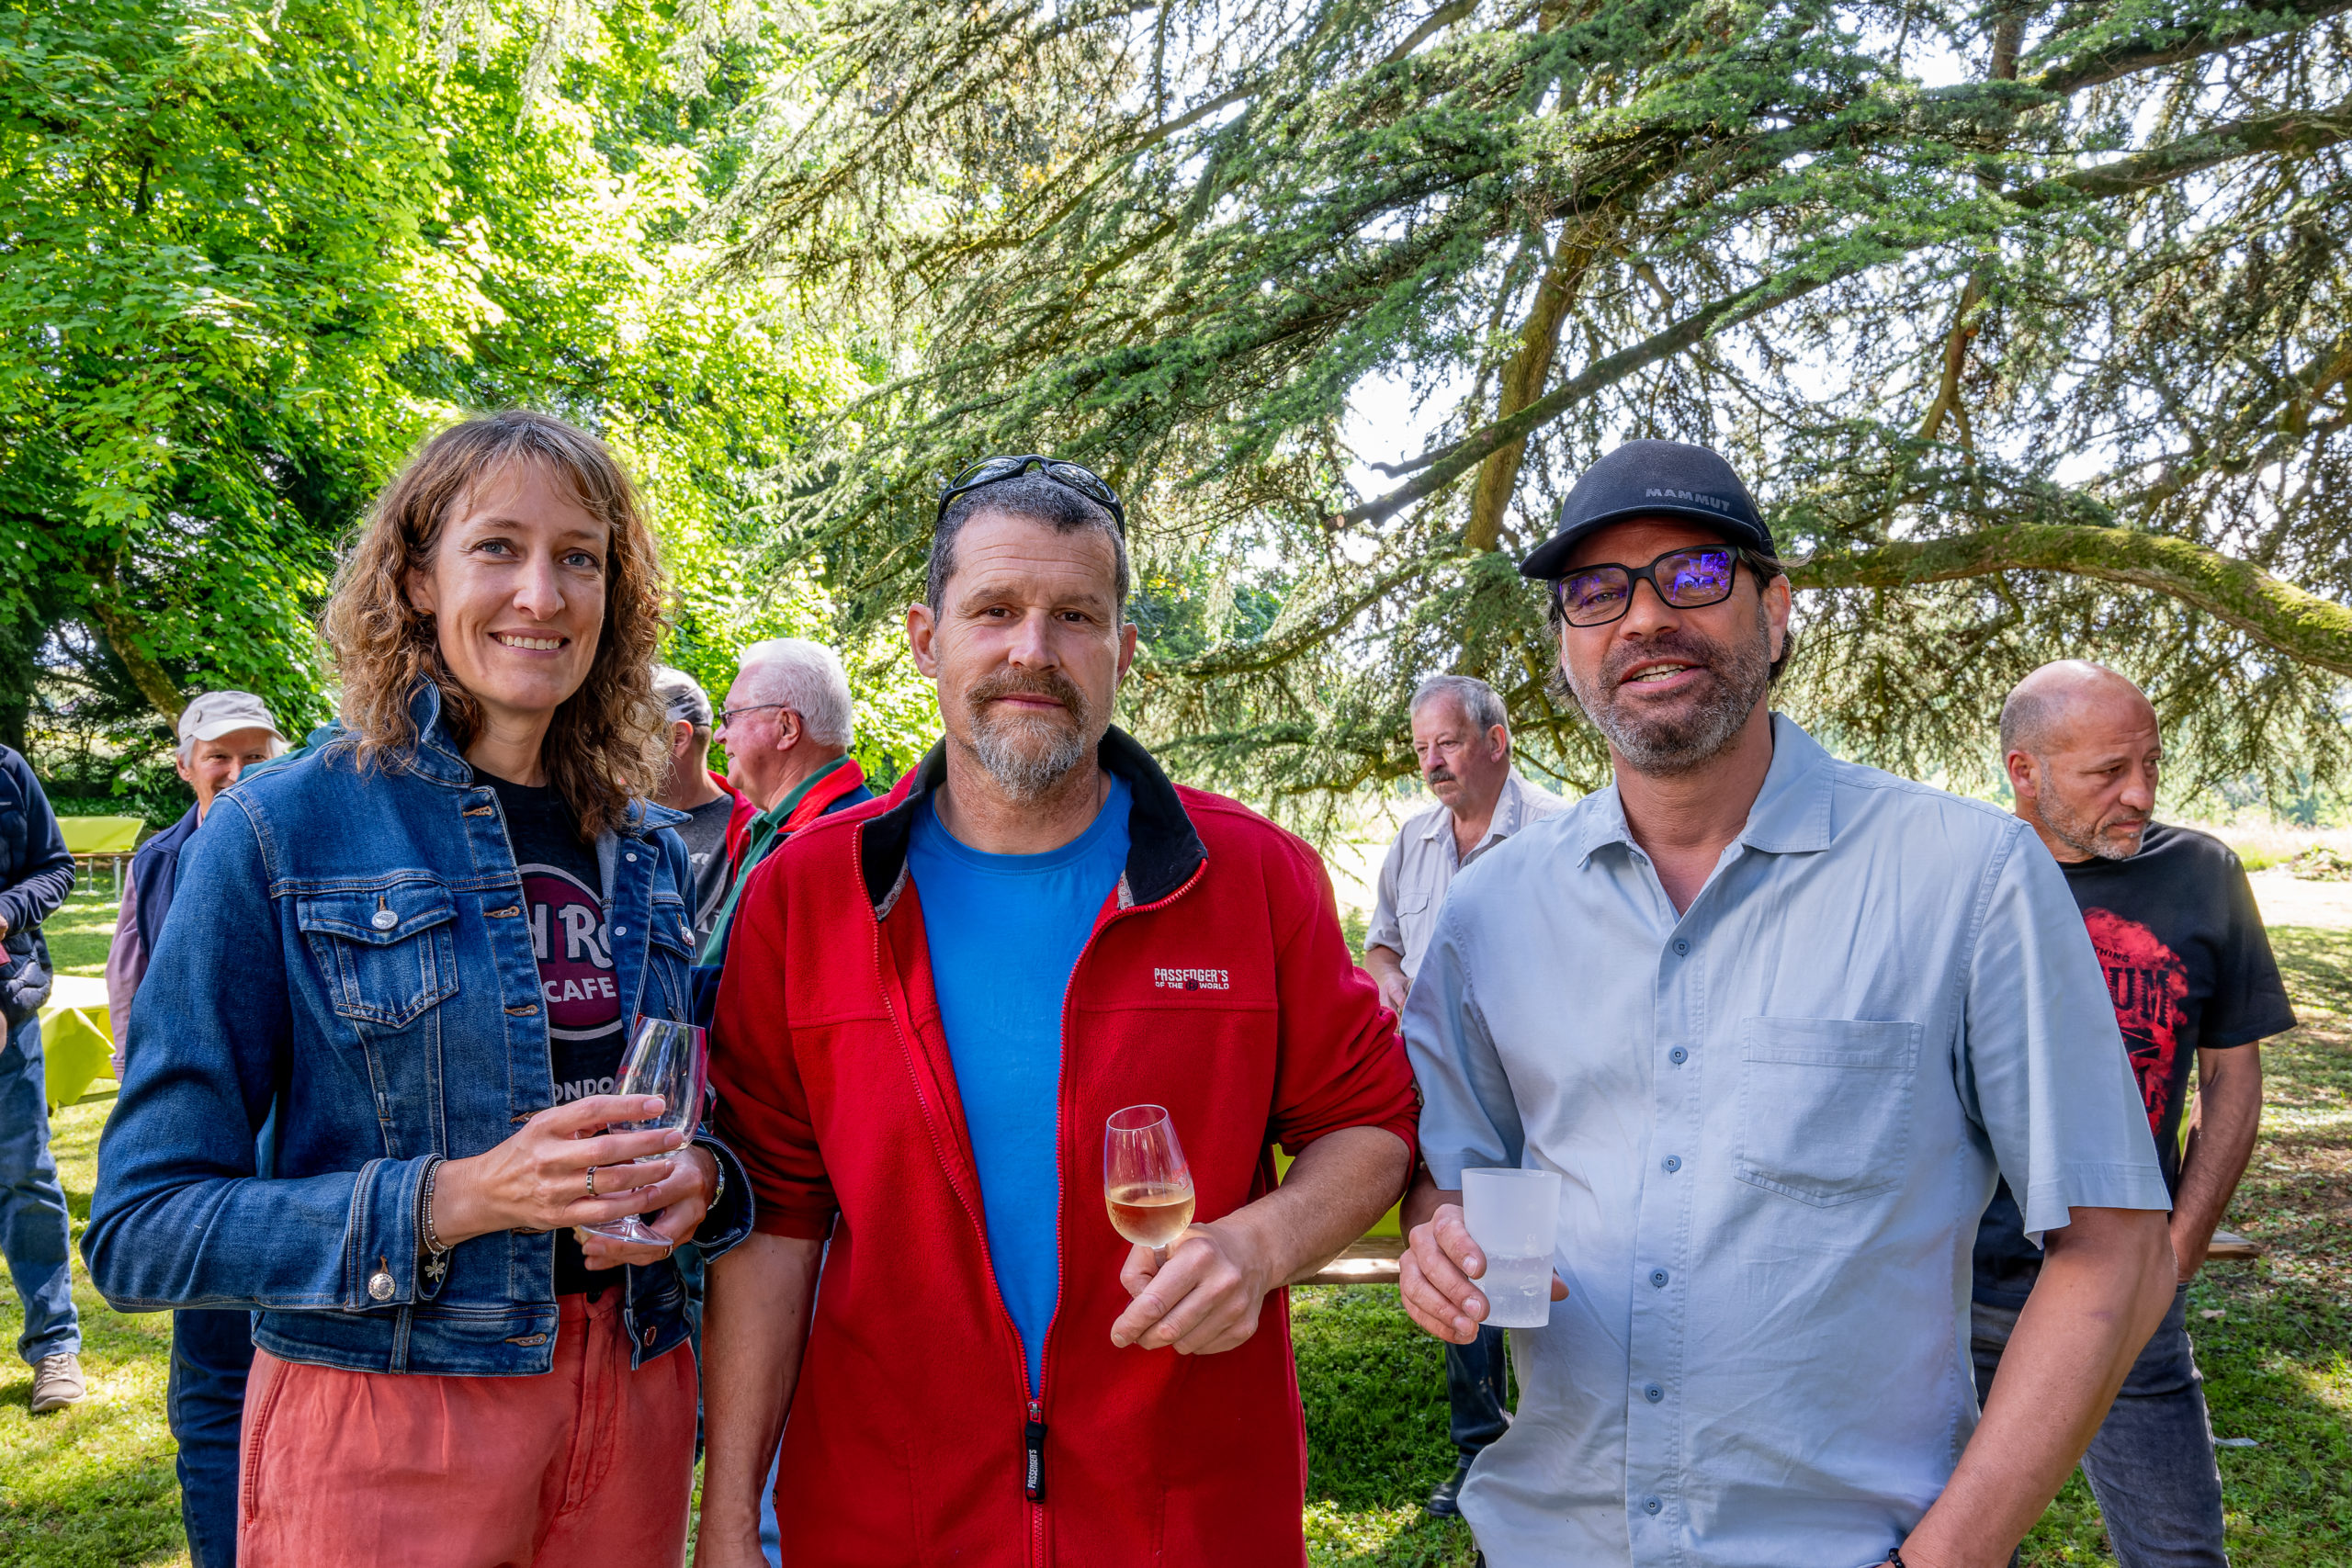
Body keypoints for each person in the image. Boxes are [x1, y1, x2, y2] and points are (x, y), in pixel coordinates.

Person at [1397, 439, 2177, 1568]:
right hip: (1546, 1541)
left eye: (1695, 574)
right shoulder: (1489, 912)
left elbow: (2116, 1247)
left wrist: (1945, 1559)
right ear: (1565, 649)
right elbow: (1450, 1178)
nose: (1643, 616)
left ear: (1776, 609)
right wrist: (1436, 1241)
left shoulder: (1968, 879)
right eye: (1594, 591)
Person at [695, 455, 1419, 1566]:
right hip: (888, 1519)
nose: (1032, 650)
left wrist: (1261, 1243)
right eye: (994, 611)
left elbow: (1370, 1123)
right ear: (925, 638)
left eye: (1075, 615)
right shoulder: (807, 894)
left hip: (1183, 1519)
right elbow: (775, 1225)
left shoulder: (1252, 878)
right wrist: (733, 1520)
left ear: (1124, 652)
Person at [83, 409, 754, 1566]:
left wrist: (703, 1179)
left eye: (579, 557)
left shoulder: (643, 847)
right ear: (414, 577)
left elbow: (694, 1112)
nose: (541, 594)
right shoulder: (276, 828)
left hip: (636, 1392)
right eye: (498, 548)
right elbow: (144, 1231)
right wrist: (460, 1197)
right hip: (394, 1414)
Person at [1972, 660, 2292, 1568]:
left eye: (2150, 763)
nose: (2139, 792)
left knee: (2179, 1556)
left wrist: (2176, 1250)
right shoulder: (1963, 880)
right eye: (2107, 772)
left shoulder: (2201, 874)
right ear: (2023, 773)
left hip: (2125, 1296)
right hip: (1962, 1301)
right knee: (1930, 1546)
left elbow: (2232, 1077)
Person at [1363, 672, 1566, 1517]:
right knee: (1466, 1248)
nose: (1433, 762)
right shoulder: (1412, 841)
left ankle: (1567, 1443)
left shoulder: (1565, 830)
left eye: (1446, 742)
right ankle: (1479, 1451)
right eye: (1420, 749)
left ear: (1497, 739)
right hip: (1447, 1094)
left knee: (1565, 1266)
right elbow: (1380, 947)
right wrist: (1389, 982)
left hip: (1547, 1084)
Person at [101, 689, 287, 1565]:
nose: (239, 771)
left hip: (298, 1157)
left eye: (257, 752)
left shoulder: (306, 838)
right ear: (184, 764)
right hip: (211, 1163)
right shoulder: (158, 863)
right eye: (221, 756)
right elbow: (134, 1001)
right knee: (216, 1382)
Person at [694, 637, 872, 967]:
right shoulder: (790, 826)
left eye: (730, 716)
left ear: (787, 727)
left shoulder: (832, 846)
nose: (720, 735)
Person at [0, 739, 80, 1415]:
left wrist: (6, 910)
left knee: (24, 1176)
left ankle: (55, 1343)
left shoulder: (6, 769)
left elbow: (55, 868)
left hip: (4, 1010)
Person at [649, 666, 754, 950]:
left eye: (624, 737)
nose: (610, 752)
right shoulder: (604, 826)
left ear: (677, 739)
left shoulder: (756, 835)